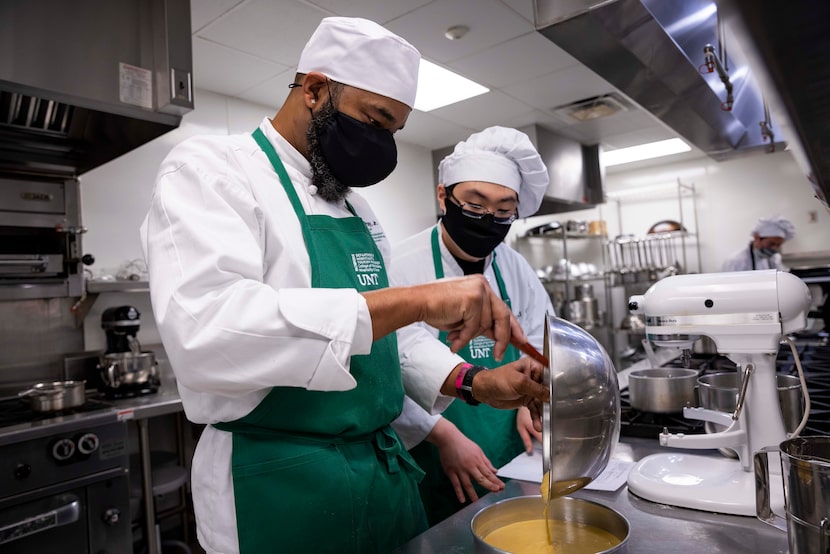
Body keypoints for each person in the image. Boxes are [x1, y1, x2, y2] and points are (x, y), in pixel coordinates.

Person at [139, 17, 548, 554]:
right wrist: (419, 297)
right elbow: (208, 335)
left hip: (381, 476)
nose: (382, 145)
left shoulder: (355, 207)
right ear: (313, 90)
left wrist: (477, 384)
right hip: (281, 482)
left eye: (394, 130)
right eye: (376, 120)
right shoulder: (214, 170)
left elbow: (383, 343)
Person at [390, 126, 554, 524]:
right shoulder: (399, 263)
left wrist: (527, 393)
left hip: (511, 440)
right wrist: (443, 435)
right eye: (476, 205)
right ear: (444, 195)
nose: (488, 220)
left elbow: (540, 333)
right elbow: (388, 366)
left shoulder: (513, 265)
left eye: (503, 211)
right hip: (434, 444)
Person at [721, 215, 796, 272]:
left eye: (779, 244)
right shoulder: (736, 261)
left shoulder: (775, 258)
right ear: (757, 238)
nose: (775, 248)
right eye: (771, 243)